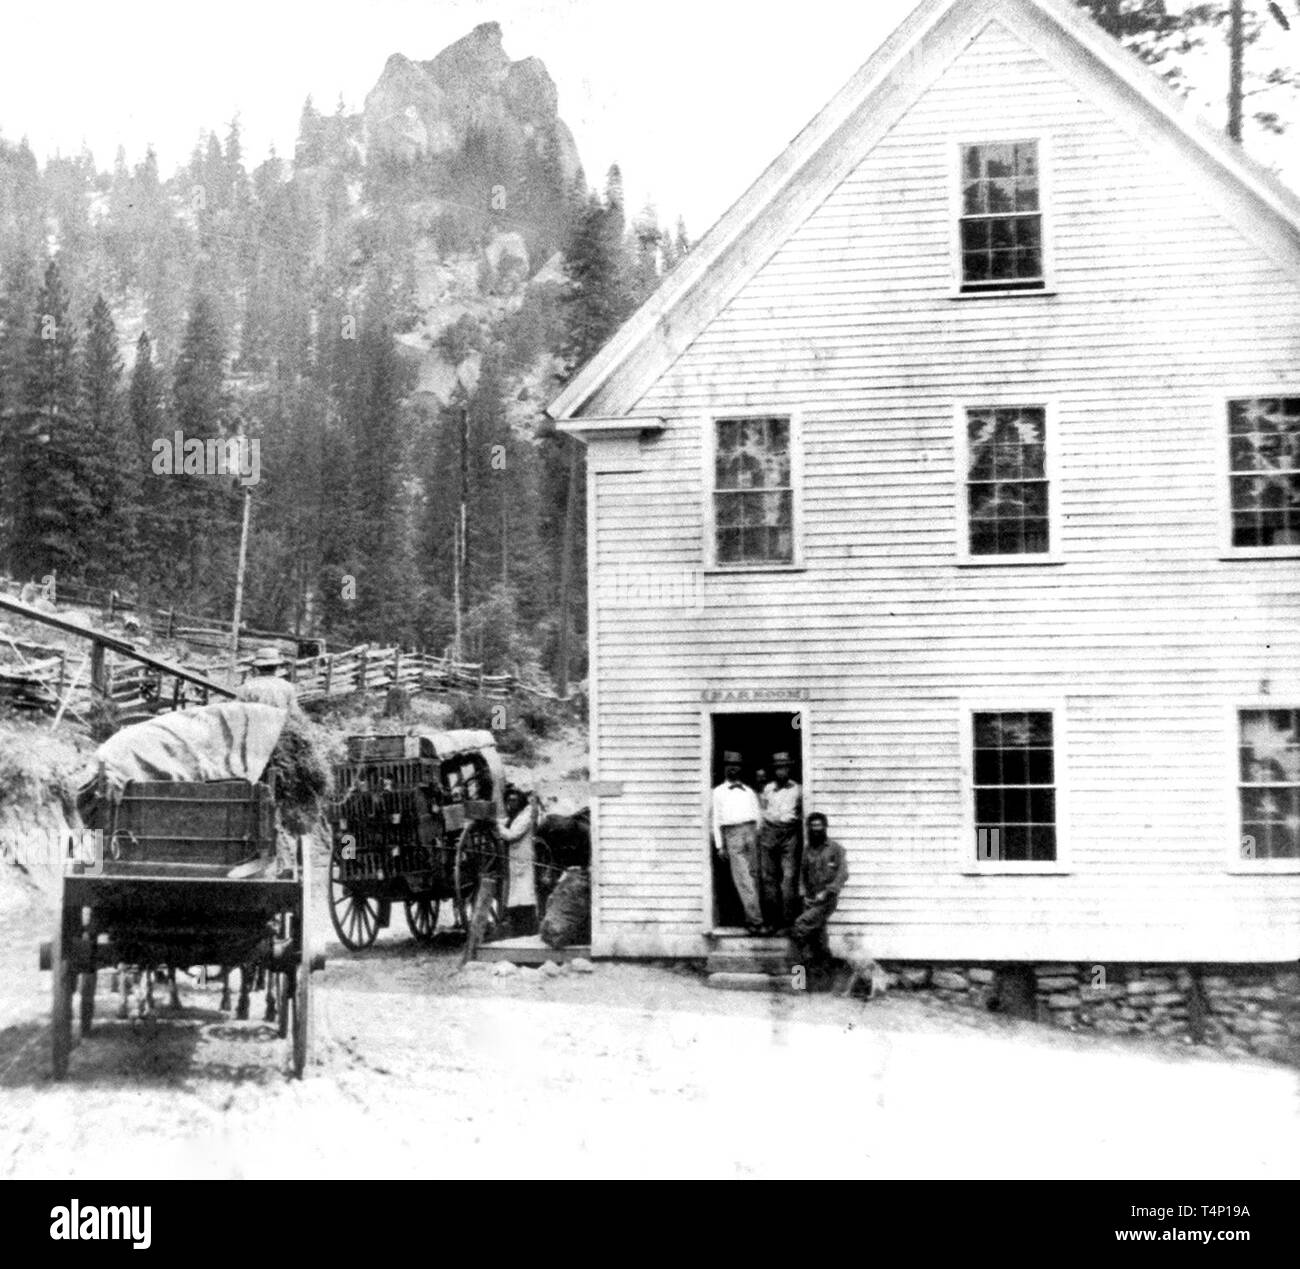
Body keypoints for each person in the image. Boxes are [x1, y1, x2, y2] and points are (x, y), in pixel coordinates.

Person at [711, 751, 765, 933]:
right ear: (725, 768)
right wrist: (720, 845)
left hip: (751, 832)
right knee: (743, 878)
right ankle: (757, 921)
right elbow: (715, 819)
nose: (733, 768)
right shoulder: (717, 792)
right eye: (729, 765)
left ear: (741, 768)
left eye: (736, 765)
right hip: (731, 833)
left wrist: (757, 834)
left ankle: (751, 918)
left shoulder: (748, 791)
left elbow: (757, 814)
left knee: (754, 876)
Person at [791, 812, 848, 986]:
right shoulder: (807, 849)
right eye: (812, 826)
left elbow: (842, 874)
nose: (816, 829)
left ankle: (799, 980)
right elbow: (802, 873)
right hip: (809, 900)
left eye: (819, 826)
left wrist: (828, 891)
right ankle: (825, 981)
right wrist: (803, 894)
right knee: (818, 938)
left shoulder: (836, 849)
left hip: (827, 900)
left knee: (800, 927)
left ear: (825, 827)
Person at [759, 751, 802, 931]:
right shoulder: (768, 789)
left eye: (784, 767)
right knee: (769, 878)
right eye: (777, 768)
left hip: (789, 834)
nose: (781, 771)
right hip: (769, 833)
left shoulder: (798, 789)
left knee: (789, 878)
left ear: (789, 768)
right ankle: (772, 921)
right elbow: (761, 810)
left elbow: (801, 812)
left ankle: (788, 921)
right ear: (774, 770)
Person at [499, 784, 539, 938]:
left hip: (523, 858)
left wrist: (497, 827)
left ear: (521, 801)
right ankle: (518, 930)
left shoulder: (527, 816)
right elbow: (505, 821)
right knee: (517, 894)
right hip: (516, 860)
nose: (511, 803)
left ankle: (527, 931)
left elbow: (512, 835)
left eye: (514, 800)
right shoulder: (517, 815)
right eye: (509, 800)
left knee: (524, 894)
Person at [235, 645, 297, 712]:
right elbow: (293, 711)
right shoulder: (287, 687)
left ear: (258, 667)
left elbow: (237, 711)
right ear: (277, 667)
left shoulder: (247, 687)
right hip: (278, 721)